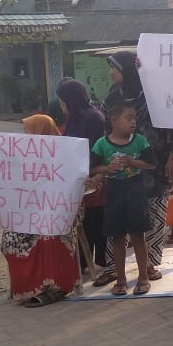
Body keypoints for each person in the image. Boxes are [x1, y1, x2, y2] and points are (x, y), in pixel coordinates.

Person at [104, 51, 173, 283]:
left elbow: (169, 125)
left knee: (154, 214)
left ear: (126, 69)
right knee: (120, 214)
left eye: (114, 67)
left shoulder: (153, 94)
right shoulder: (113, 97)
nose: (111, 72)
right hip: (123, 165)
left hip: (154, 163)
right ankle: (115, 267)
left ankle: (151, 264)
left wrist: (171, 157)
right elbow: (106, 131)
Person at [0, 114, 80, 307]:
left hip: (56, 211)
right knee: (11, 240)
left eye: (28, 130)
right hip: (27, 209)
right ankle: (27, 286)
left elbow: (74, 183)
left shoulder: (64, 153)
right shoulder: (20, 154)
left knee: (48, 237)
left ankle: (53, 286)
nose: (25, 135)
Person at [90, 103, 156, 296]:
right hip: (114, 193)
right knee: (117, 237)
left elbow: (151, 164)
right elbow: (93, 168)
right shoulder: (101, 144)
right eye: (128, 118)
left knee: (138, 236)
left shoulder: (140, 141)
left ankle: (143, 278)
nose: (133, 122)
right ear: (113, 120)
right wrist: (108, 168)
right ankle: (121, 279)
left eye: (134, 118)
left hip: (135, 191)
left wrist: (132, 162)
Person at [56, 78, 110, 283]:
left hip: (94, 179)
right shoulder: (74, 118)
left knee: (97, 221)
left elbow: (100, 149)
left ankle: (105, 264)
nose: (61, 105)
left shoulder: (93, 118)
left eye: (62, 100)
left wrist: (97, 175)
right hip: (79, 180)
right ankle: (84, 262)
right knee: (84, 222)